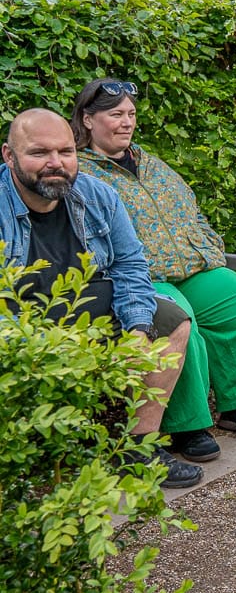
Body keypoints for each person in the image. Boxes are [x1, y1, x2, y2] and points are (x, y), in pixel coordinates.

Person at [72, 79, 236, 463]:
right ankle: (186, 425)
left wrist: (207, 245)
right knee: (179, 321)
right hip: (140, 277)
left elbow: (191, 209)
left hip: (191, 266)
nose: (126, 122)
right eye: (115, 114)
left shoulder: (151, 163)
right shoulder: (83, 174)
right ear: (88, 120)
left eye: (131, 114)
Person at [2, 109, 201, 488]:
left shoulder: (97, 196)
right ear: (9, 156)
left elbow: (130, 265)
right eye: (39, 153)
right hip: (20, 324)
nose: (55, 164)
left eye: (65, 151)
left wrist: (138, 327)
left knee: (172, 322)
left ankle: (137, 447)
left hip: (90, 311)